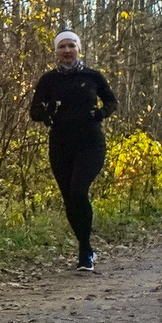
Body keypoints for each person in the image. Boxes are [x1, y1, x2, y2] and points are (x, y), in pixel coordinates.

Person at [28, 30, 117, 272]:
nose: (67, 50)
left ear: (79, 49)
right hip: (61, 144)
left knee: (79, 191)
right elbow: (34, 111)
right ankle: (85, 248)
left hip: (90, 142)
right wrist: (47, 114)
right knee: (69, 197)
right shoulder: (48, 80)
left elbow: (112, 102)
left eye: (71, 46)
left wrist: (100, 114)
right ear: (56, 52)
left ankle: (85, 249)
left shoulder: (92, 76)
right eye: (62, 47)